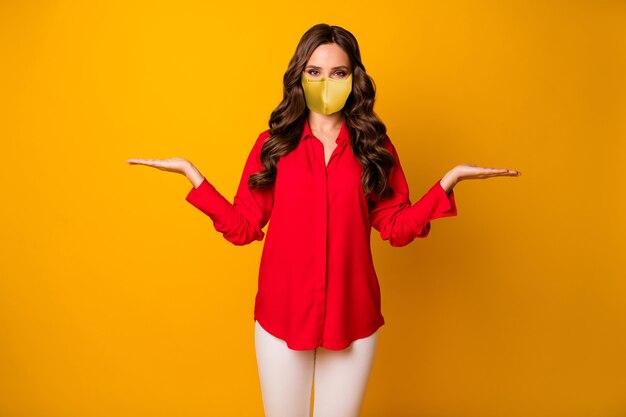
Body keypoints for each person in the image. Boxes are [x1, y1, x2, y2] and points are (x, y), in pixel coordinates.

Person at [127, 23, 521, 417]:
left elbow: (396, 228)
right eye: (314, 72)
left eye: (338, 72)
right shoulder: (273, 145)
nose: (325, 82)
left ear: (354, 79)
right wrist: (193, 177)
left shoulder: (374, 147)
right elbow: (244, 226)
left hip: (353, 316)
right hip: (281, 315)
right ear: (300, 76)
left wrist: (447, 182)